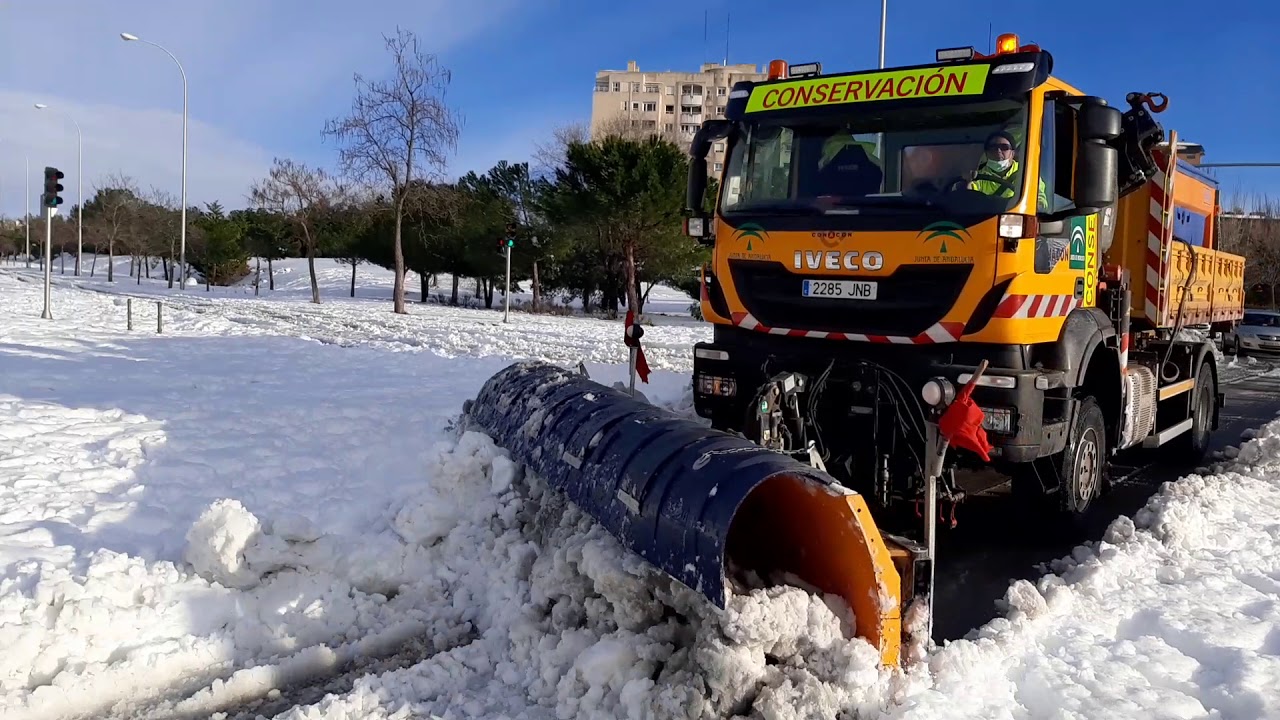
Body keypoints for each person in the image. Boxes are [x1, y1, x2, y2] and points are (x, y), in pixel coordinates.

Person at [969, 130, 1048, 211]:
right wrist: (967, 182)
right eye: (993, 147)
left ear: (1012, 153)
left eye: (1004, 147)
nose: (998, 151)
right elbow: (971, 200)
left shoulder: (1027, 173)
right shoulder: (978, 176)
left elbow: (1039, 199)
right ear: (986, 153)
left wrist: (1038, 206)